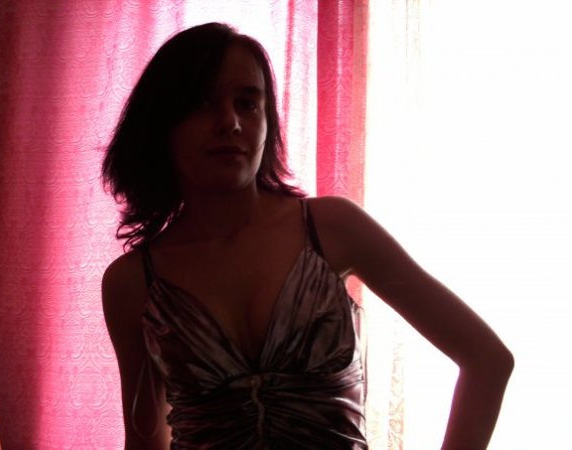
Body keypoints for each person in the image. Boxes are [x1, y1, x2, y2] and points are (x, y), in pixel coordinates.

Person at [101, 22, 513, 450]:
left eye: (248, 103)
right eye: (203, 103)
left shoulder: (333, 228)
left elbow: (487, 359)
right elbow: (145, 440)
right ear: (161, 123)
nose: (230, 123)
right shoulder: (132, 282)